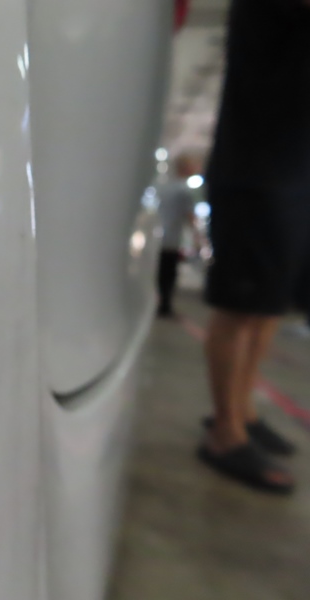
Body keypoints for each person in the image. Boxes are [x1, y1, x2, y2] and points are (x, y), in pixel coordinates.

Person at [198, 0, 309, 495]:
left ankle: (242, 410)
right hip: (256, 173)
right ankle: (225, 433)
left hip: (289, 172)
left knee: (267, 308)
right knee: (240, 307)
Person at [155, 154, 203, 318]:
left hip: (160, 236)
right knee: (169, 273)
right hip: (173, 238)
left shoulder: (165, 188)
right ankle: (165, 305)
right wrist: (198, 238)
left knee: (162, 271)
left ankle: (161, 302)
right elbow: (190, 217)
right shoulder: (184, 191)